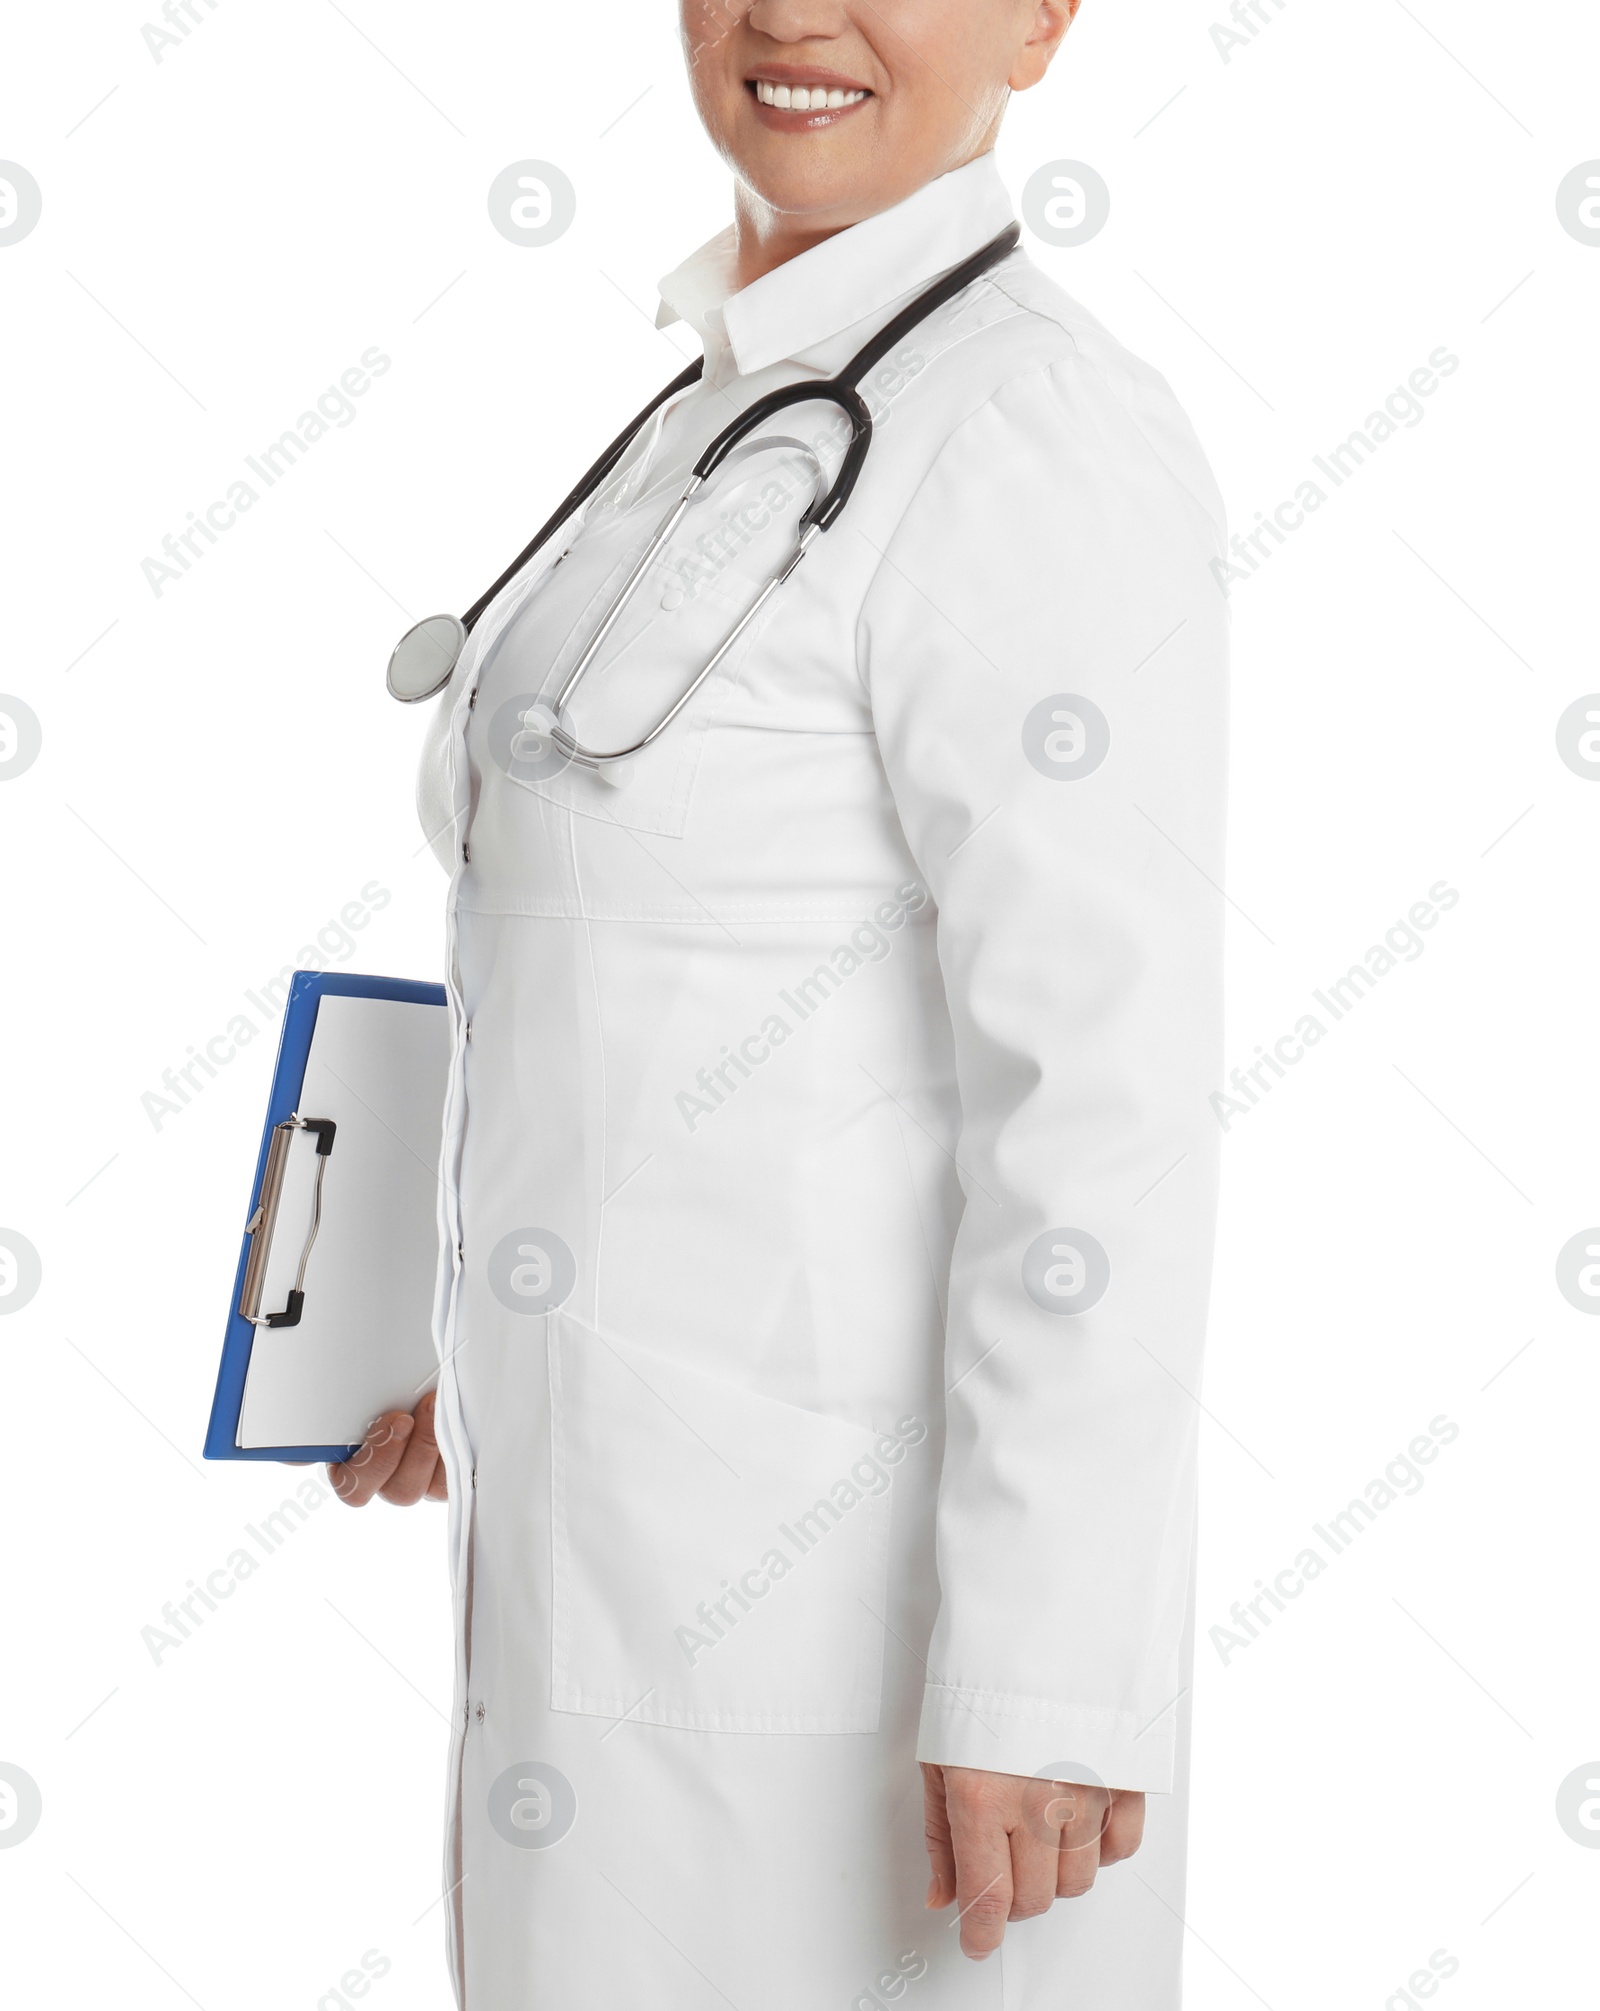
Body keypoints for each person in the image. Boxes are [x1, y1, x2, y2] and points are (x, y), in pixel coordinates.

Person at [332, 1, 1228, 2003]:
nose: (791, 14)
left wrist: (1044, 1668)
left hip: (862, 1675)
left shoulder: (1024, 434)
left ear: (1039, 20)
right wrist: (468, 1329)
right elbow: (649, 980)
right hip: (615, 1598)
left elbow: (1102, 1102)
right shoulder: (728, 410)